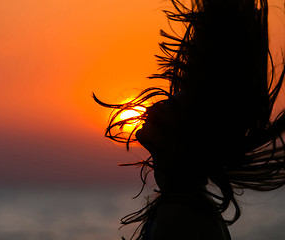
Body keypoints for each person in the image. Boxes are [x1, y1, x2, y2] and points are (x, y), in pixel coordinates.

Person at [94, 0, 285, 239]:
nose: (158, 103)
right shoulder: (185, 204)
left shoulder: (182, 216)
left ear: (188, 136)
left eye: (175, 103)